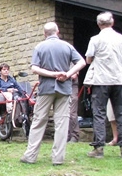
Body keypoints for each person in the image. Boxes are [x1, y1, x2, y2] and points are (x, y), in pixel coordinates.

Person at [20, 22, 86, 165]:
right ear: (58, 31)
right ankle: (58, 158)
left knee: (38, 121)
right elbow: (82, 62)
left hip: (46, 89)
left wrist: (52, 74)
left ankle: (30, 156)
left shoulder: (39, 47)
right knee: (62, 123)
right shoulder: (67, 46)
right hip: (64, 89)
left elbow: (35, 69)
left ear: (44, 34)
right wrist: (67, 74)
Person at [84, 12, 122, 159]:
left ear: (98, 24)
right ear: (112, 22)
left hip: (101, 80)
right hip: (118, 80)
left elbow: (89, 60)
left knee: (99, 114)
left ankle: (99, 149)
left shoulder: (95, 39)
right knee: (120, 113)